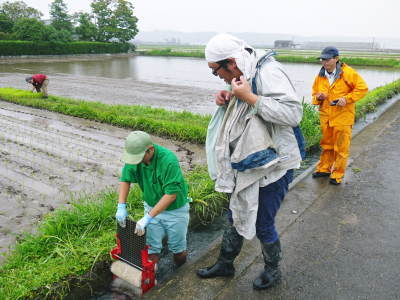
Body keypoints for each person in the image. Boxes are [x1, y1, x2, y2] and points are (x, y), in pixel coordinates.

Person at [196, 34, 304, 290]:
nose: (217, 76)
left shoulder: (269, 72)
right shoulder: (244, 70)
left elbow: (293, 113)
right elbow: (246, 103)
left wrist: (250, 98)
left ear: (231, 62)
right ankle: (225, 263)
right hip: (251, 158)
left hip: (276, 160)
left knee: (263, 221)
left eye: (216, 71)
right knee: (236, 210)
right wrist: (229, 96)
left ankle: (272, 270)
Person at [115, 131, 190, 267]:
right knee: (150, 251)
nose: (135, 162)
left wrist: (148, 218)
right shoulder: (135, 158)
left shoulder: (168, 161)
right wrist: (121, 206)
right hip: (150, 206)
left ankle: (180, 272)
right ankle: (151, 281)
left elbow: (171, 194)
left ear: (150, 150)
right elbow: (125, 179)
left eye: (138, 158)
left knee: (179, 252)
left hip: (175, 211)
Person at [312, 46, 368, 185]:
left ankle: (337, 174)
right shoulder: (320, 75)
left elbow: (362, 88)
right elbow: (314, 93)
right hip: (326, 117)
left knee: (341, 148)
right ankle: (324, 169)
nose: (324, 62)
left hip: (343, 117)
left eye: (327, 59)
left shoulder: (348, 73)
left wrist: (346, 99)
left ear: (336, 59)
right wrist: (319, 97)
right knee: (326, 145)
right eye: (322, 59)